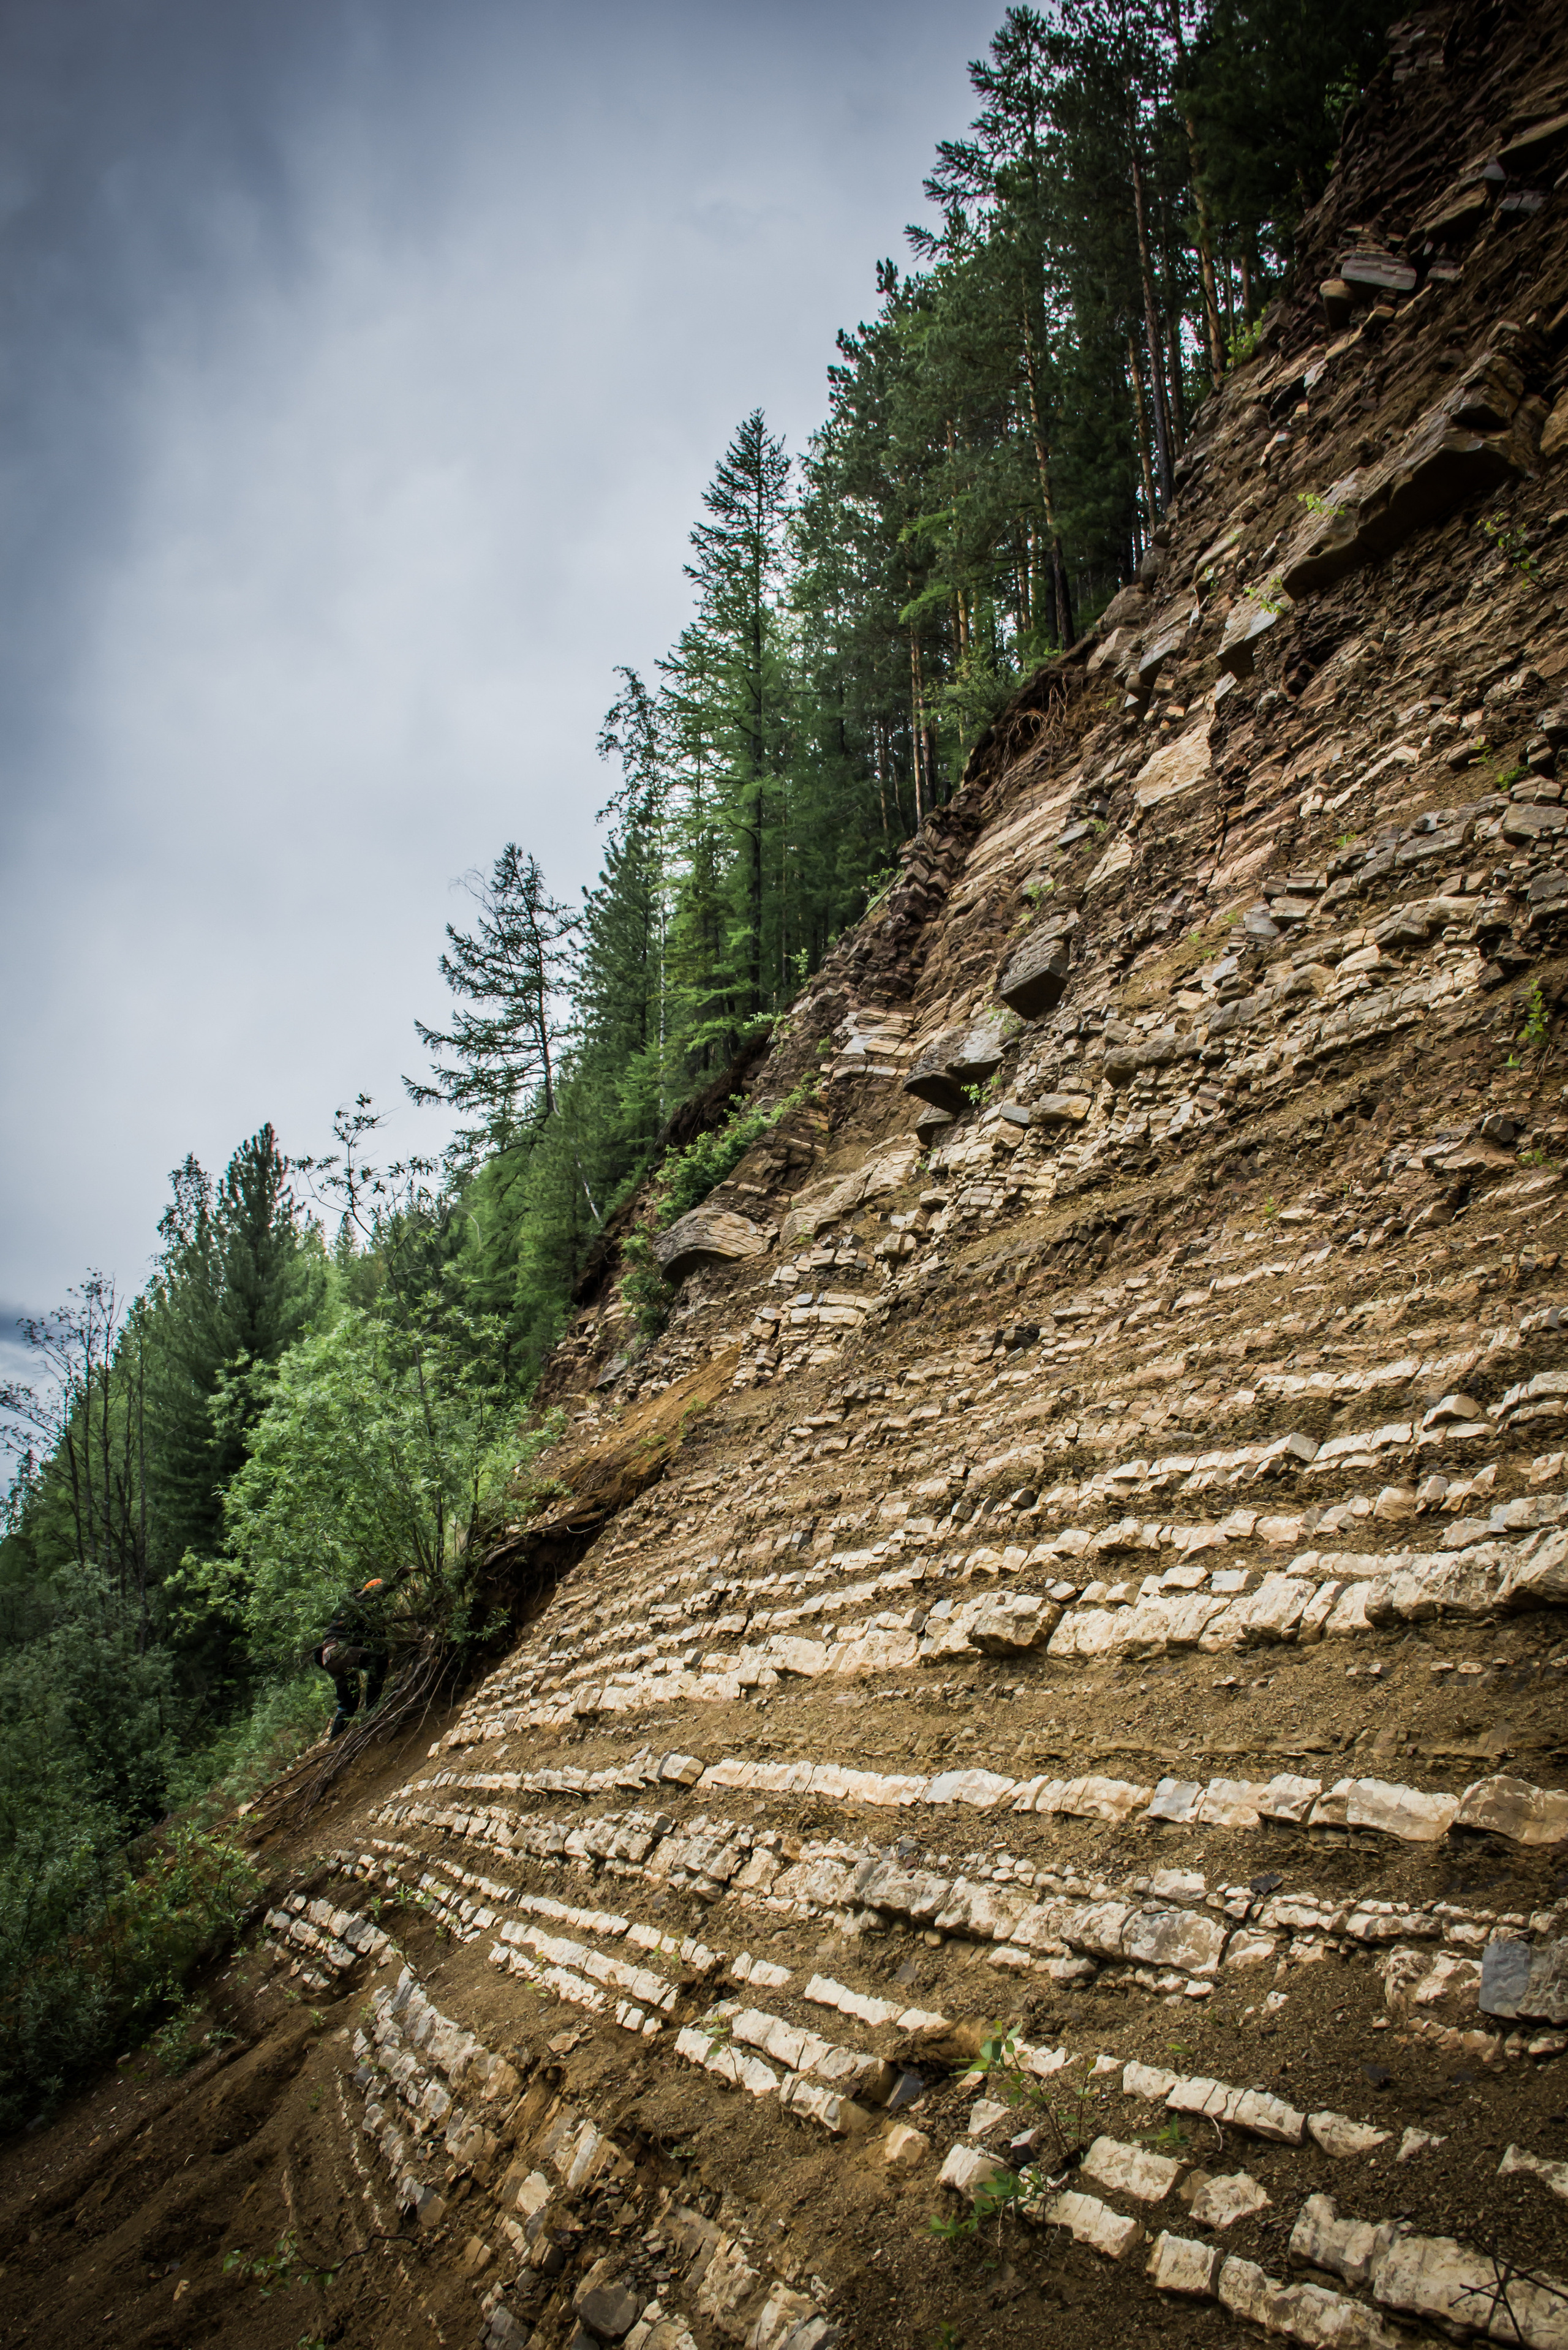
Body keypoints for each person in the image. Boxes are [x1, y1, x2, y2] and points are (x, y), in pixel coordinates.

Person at [314, 1575, 397, 1740]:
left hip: (329, 1659)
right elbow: (374, 1596)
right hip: (338, 1653)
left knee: (348, 1706)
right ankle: (373, 1711)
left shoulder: (354, 1610)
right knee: (378, 1660)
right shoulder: (359, 1601)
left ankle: (334, 1742)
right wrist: (399, 1578)